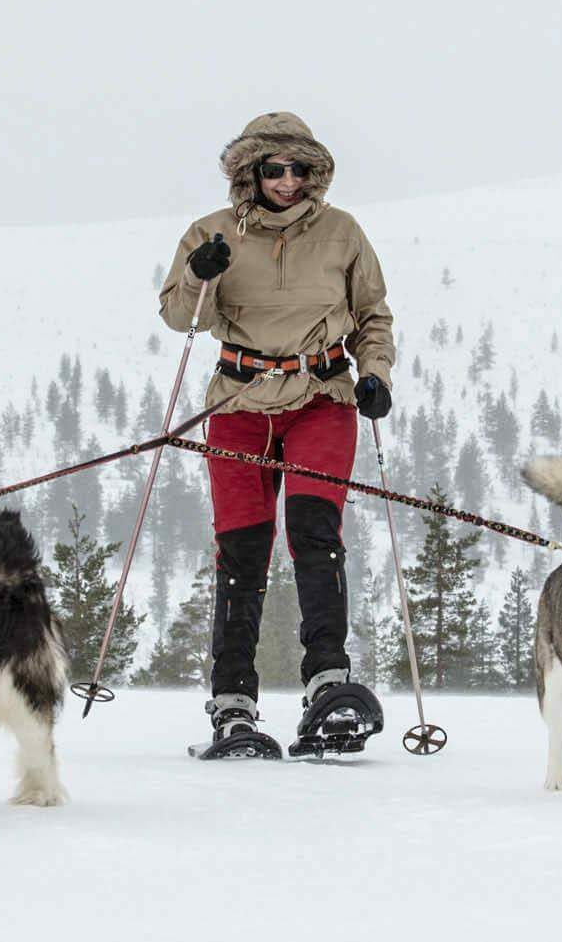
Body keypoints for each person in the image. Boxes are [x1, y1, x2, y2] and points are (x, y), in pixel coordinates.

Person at [158, 111, 395, 752]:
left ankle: (329, 686)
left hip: (322, 396)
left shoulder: (343, 232)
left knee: (315, 536)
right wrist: (199, 272)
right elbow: (180, 316)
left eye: (298, 169)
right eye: (273, 169)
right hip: (238, 401)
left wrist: (375, 375)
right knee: (243, 549)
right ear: (250, 172)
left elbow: (372, 314)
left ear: (314, 171)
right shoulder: (211, 232)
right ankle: (233, 702)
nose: (287, 182)